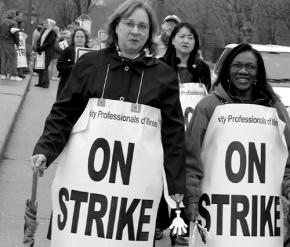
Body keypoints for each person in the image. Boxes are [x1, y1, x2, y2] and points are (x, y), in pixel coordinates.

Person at [30, 0, 185, 246]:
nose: (135, 31)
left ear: (150, 33)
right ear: (116, 26)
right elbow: (64, 112)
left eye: (143, 26)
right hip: (85, 188)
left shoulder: (163, 76)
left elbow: (173, 136)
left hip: (133, 193)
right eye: (129, 23)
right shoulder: (90, 64)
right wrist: (45, 150)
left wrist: (177, 186)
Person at [184, 43, 290, 246]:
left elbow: (286, 161)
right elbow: (191, 159)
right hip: (216, 215)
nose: (243, 71)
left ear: (258, 72)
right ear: (227, 69)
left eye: (250, 67)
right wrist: (193, 199)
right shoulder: (208, 106)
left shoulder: (275, 109)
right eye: (237, 65)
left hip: (261, 219)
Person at [56, 27, 89, 99]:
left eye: (82, 37)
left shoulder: (90, 53)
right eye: (77, 36)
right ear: (73, 38)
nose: (79, 38)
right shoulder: (67, 51)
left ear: (85, 39)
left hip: (83, 88)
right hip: (67, 86)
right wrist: (74, 67)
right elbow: (59, 66)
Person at [0, 9, 22, 81]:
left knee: (4, 59)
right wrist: (18, 43)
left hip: (2, 42)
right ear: (14, 15)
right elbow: (16, 34)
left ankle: (3, 74)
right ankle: (13, 75)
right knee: (13, 58)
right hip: (9, 42)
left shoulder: (2, 22)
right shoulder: (13, 23)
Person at [35, 18, 57, 88]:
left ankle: (45, 83)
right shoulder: (44, 30)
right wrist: (38, 47)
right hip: (41, 50)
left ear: (50, 24)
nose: (45, 24)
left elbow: (49, 43)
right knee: (40, 66)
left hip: (47, 51)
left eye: (46, 23)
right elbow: (39, 40)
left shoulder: (52, 32)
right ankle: (40, 82)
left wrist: (41, 48)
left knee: (45, 66)